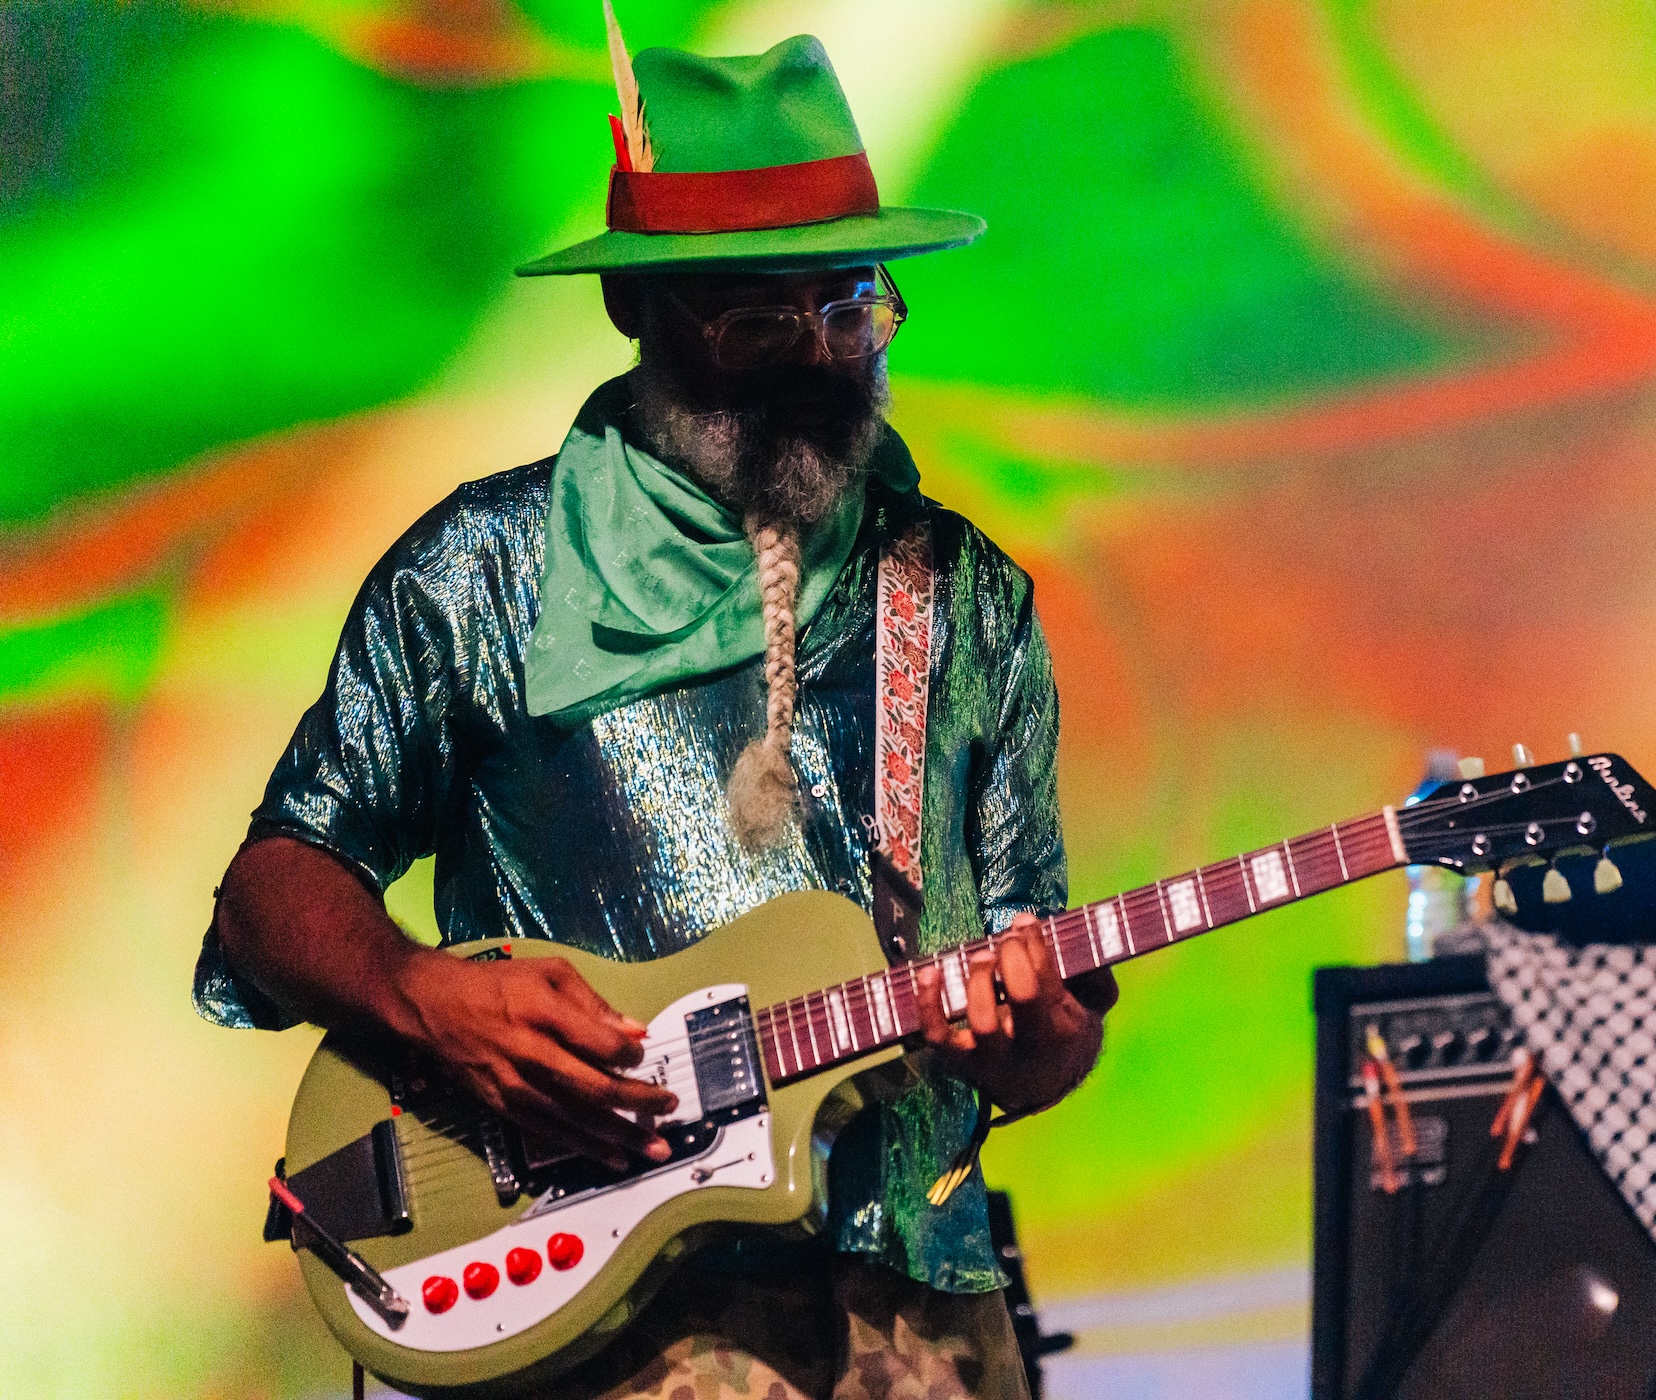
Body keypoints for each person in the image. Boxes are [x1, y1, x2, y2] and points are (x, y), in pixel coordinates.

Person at [194, 28, 1115, 1400]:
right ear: (639, 308)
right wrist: (422, 997)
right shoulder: (484, 573)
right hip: (588, 1317)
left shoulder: (966, 598)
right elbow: (270, 893)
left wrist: (1029, 1031)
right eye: (757, 322)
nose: (820, 359)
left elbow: (1047, 1028)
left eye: (849, 307)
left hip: (913, 1319)